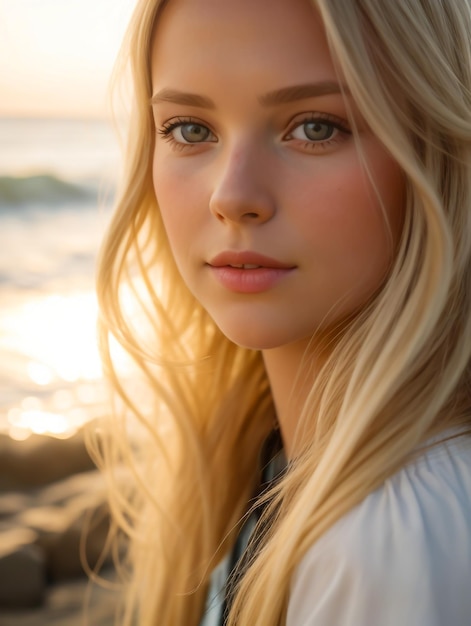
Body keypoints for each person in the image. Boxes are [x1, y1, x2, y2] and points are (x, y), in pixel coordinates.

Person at [92, 0, 471, 624]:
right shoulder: (263, 471)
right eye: (189, 129)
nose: (232, 195)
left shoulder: (395, 539)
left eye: (316, 127)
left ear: (433, 154)